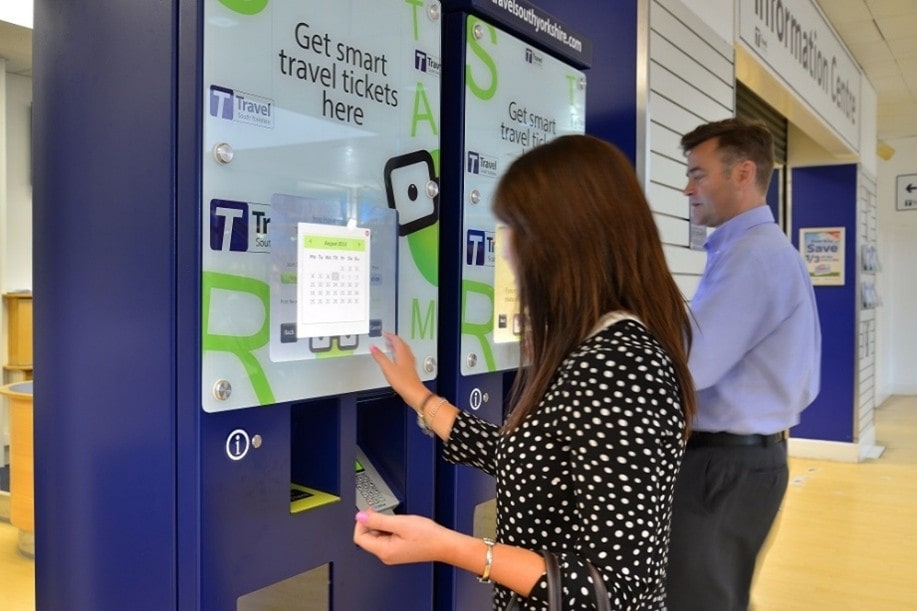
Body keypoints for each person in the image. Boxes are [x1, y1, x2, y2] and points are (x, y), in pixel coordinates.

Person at [353, 134, 696, 610]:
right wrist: (419, 396)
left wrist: (447, 546)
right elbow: (533, 461)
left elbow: (612, 591)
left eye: (516, 229)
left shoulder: (620, 365)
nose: (507, 250)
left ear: (566, 239)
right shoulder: (592, 349)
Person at [665, 118, 822, 611]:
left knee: (697, 600)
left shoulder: (752, 257)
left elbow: (689, 367)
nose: (687, 187)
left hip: (723, 467)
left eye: (698, 174)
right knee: (719, 595)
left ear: (742, 173)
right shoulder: (757, 253)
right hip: (744, 462)